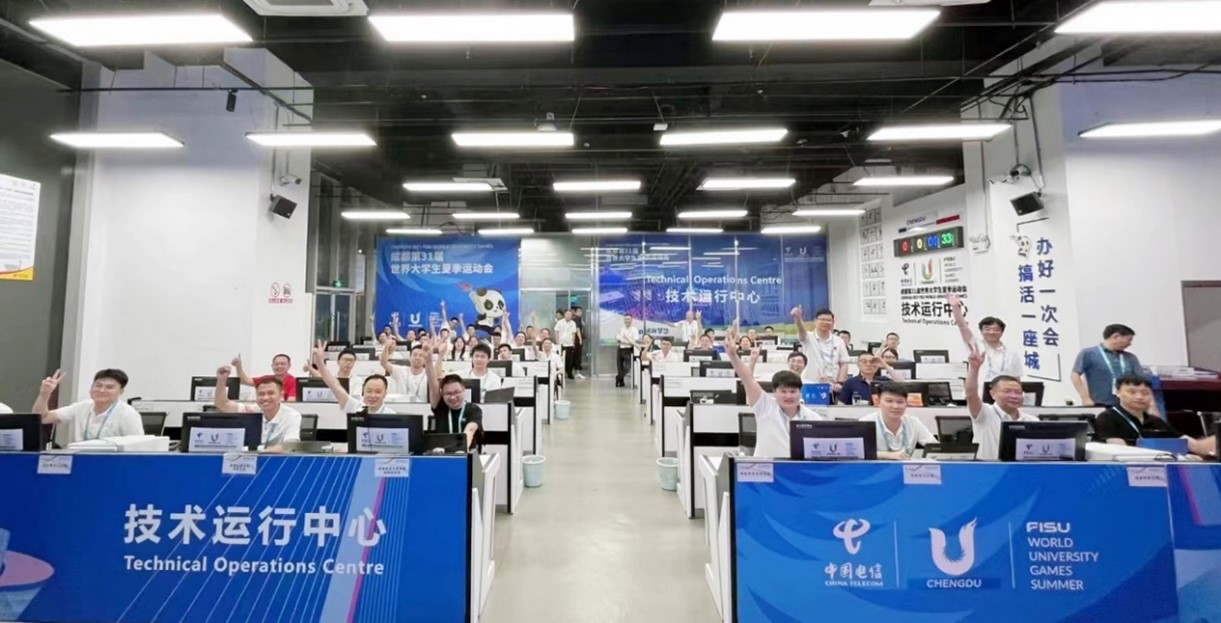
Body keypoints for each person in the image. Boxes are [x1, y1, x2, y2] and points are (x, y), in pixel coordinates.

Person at [725, 322, 822, 458]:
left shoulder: (813, 418)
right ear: (775, 392)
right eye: (783, 391)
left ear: (800, 392)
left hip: (798, 469)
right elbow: (747, 379)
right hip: (766, 468)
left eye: (793, 391)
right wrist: (733, 356)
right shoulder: (765, 407)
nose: (788, 396)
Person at [1095, 373, 1216, 457]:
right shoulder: (1107, 418)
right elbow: (1120, 452)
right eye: (1132, 392)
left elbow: (1197, 447)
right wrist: (1177, 458)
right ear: (1117, 393)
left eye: (1145, 393)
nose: (1139, 397)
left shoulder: (1156, 421)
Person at [964, 342, 1039, 461]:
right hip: (988, 469)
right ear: (992, 394)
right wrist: (974, 368)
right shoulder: (984, 413)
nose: (1013, 396)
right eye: (1007, 391)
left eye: (1018, 392)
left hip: (1019, 469)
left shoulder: (1032, 421)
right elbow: (970, 394)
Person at [33, 369, 143, 444]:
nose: (101, 390)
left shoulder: (128, 414)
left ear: (121, 392)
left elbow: (138, 447)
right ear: (91, 387)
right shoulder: (81, 407)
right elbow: (42, 418)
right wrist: (45, 394)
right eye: (98, 385)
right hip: (80, 460)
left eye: (109, 387)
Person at [213, 365, 301, 452]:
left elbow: (290, 444)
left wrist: (262, 454)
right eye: (261, 394)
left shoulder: (292, 416)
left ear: (281, 395)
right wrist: (221, 379)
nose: (265, 398)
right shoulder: (252, 410)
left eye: (271, 393)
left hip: (275, 458)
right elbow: (222, 404)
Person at [949, 293, 1022, 384]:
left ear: (1002, 332)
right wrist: (955, 307)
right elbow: (962, 326)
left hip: (1002, 392)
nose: (991, 332)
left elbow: (1016, 379)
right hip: (978, 391)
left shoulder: (1012, 354)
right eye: (987, 329)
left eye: (996, 330)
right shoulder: (976, 345)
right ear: (981, 331)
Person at [859, 383, 936, 460]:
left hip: (905, 466)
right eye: (889, 401)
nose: (895, 406)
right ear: (878, 402)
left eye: (900, 402)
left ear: (906, 403)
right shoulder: (865, 423)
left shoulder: (913, 423)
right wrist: (886, 455)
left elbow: (934, 446)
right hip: (874, 467)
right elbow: (857, 453)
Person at [1072, 324, 1143, 407]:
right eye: (1128, 340)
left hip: (1128, 404)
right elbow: (1075, 375)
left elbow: (1142, 380)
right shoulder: (1089, 353)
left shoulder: (1130, 357)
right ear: (1116, 336)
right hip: (1100, 403)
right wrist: (1085, 398)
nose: (1130, 344)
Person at [313, 342, 394, 414]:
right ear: (363, 392)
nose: (372, 396)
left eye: (378, 392)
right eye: (369, 391)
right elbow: (334, 385)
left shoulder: (391, 415)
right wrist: (320, 363)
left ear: (385, 394)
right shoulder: (356, 407)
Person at [426, 355, 482, 450]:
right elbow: (432, 384)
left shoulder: (473, 409)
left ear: (463, 390)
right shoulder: (440, 407)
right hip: (441, 454)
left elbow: (470, 431)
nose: (452, 397)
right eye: (448, 393)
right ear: (442, 394)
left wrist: (462, 450)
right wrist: (428, 359)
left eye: (456, 392)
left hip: (465, 453)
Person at [792, 305, 849, 388]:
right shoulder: (808, 337)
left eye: (829, 320)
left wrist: (840, 383)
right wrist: (798, 318)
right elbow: (801, 330)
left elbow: (844, 363)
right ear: (815, 321)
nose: (825, 322)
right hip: (810, 383)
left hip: (833, 385)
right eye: (822, 319)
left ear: (833, 322)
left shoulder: (838, 341)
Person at [232, 353, 297, 401]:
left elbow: (291, 402)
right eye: (276, 364)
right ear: (272, 366)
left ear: (289, 366)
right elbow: (244, 381)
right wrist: (238, 366)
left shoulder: (293, 381)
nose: (279, 366)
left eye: (283, 364)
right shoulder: (266, 379)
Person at [615, 313, 643, 388]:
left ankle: (618, 377)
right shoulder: (621, 329)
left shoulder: (634, 330)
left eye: (628, 319)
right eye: (625, 319)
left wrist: (626, 340)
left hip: (629, 349)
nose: (627, 321)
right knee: (619, 366)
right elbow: (618, 339)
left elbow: (635, 340)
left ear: (631, 320)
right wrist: (627, 340)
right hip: (620, 348)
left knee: (628, 367)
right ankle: (621, 382)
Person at [554, 309, 579, 380]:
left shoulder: (573, 323)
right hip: (561, 344)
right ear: (564, 315)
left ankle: (569, 373)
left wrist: (573, 342)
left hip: (569, 344)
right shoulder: (559, 322)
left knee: (569, 359)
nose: (569, 316)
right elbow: (556, 332)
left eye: (570, 314)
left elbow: (574, 333)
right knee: (561, 359)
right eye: (567, 314)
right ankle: (561, 373)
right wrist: (557, 342)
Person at [571, 306, 587, 378]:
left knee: (577, 356)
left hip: (578, 340)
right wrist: (580, 339)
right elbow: (577, 329)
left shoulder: (579, 319)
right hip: (577, 341)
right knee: (577, 356)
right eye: (578, 311)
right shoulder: (576, 319)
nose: (580, 313)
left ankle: (576, 372)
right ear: (575, 312)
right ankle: (576, 372)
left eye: (581, 311)